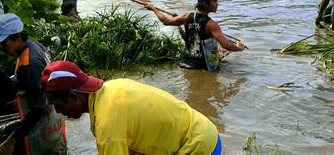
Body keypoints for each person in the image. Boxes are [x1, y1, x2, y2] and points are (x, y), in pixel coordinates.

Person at [40, 60, 223, 155]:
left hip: (198, 148)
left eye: (58, 105)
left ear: (73, 97)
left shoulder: (108, 127)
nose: (58, 112)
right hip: (203, 129)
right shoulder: (112, 87)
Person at [0, 13, 66, 154]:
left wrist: (12, 140)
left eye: (3, 43)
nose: (1, 47)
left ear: (17, 37)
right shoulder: (36, 47)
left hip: (37, 128)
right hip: (52, 123)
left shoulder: (29, 64)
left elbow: (38, 107)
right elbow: (34, 90)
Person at [146, 0, 245, 71]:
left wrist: (154, 9)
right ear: (206, 4)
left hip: (187, 62)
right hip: (205, 66)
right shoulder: (212, 24)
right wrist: (239, 47)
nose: (217, 4)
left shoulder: (186, 16)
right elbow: (226, 45)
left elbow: (166, 21)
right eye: (214, 1)